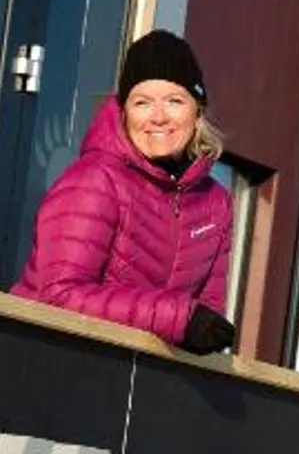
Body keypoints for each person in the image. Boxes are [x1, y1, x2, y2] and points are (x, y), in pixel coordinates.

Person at [12, 30, 235, 356]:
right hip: (42, 357)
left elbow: (206, 314)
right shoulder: (95, 180)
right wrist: (178, 319)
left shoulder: (215, 203)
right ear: (124, 111)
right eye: (142, 102)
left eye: (174, 101)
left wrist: (201, 332)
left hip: (131, 373)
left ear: (197, 110)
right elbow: (59, 295)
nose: (158, 117)